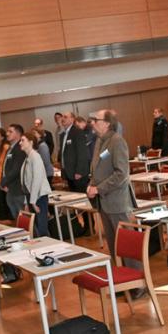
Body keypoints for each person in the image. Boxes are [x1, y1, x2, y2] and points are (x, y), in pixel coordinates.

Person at [86, 110, 133, 257]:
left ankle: (134, 276)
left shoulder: (117, 141)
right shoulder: (100, 141)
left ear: (106, 123)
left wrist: (98, 189)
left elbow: (121, 174)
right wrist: (91, 184)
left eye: (96, 120)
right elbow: (98, 168)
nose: (92, 123)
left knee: (126, 245)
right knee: (114, 247)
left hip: (116, 201)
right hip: (104, 202)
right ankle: (120, 275)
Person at [19, 132, 52, 238]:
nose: (20, 143)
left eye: (23, 140)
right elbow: (26, 182)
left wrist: (32, 201)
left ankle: (50, 249)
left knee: (41, 229)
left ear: (31, 142)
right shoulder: (27, 158)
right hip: (32, 196)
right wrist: (26, 201)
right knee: (37, 227)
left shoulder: (35, 157)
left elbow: (37, 180)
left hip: (38, 196)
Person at [1, 124, 27, 216]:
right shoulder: (11, 148)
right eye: (7, 131)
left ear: (18, 134)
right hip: (11, 188)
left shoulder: (20, 148)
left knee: (25, 219)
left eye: (10, 131)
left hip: (18, 189)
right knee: (17, 218)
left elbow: (16, 169)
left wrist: (3, 181)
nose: (7, 134)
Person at [60, 112, 90, 193]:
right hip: (69, 173)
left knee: (81, 200)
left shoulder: (77, 132)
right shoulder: (62, 135)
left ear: (72, 119)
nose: (62, 119)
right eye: (62, 117)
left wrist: (79, 171)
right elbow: (63, 154)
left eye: (65, 117)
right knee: (73, 199)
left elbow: (82, 153)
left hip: (78, 173)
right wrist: (63, 173)